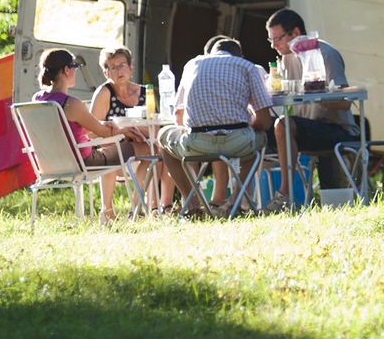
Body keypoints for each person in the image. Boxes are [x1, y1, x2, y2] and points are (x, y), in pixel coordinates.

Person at [157, 36, 275, 219]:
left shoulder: (193, 65)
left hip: (197, 143)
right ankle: (237, 200)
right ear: (239, 55)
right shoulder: (246, 66)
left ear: (209, 54)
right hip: (238, 142)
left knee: (163, 137)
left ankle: (192, 204)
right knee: (258, 139)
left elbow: (178, 116)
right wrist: (247, 127)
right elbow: (265, 120)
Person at [32, 48, 147, 222]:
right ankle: (134, 210)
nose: (76, 71)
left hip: (48, 163)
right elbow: (103, 132)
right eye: (75, 67)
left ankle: (111, 211)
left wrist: (102, 125)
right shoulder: (71, 104)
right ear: (66, 70)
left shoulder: (38, 99)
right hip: (84, 161)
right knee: (145, 148)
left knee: (114, 144)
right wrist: (123, 131)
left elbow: (71, 127)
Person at [263, 7, 354, 212]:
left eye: (277, 39)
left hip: (335, 128)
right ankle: (239, 200)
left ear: (295, 33)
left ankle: (285, 195)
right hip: (306, 127)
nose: (274, 45)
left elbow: (345, 101)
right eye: (271, 40)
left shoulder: (324, 52)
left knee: (283, 124)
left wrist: (318, 95)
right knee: (260, 128)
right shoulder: (285, 59)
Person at [89, 46, 169, 214]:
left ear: (131, 68)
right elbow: (90, 130)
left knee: (157, 151)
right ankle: (110, 210)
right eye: (113, 67)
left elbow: (154, 125)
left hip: (139, 144)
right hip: (112, 149)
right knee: (121, 149)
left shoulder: (144, 92)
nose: (119, 70)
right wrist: (120, 129)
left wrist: (139, 130)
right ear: (106, 73)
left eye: (122, 65)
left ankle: (139, 207)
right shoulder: (105, 93)